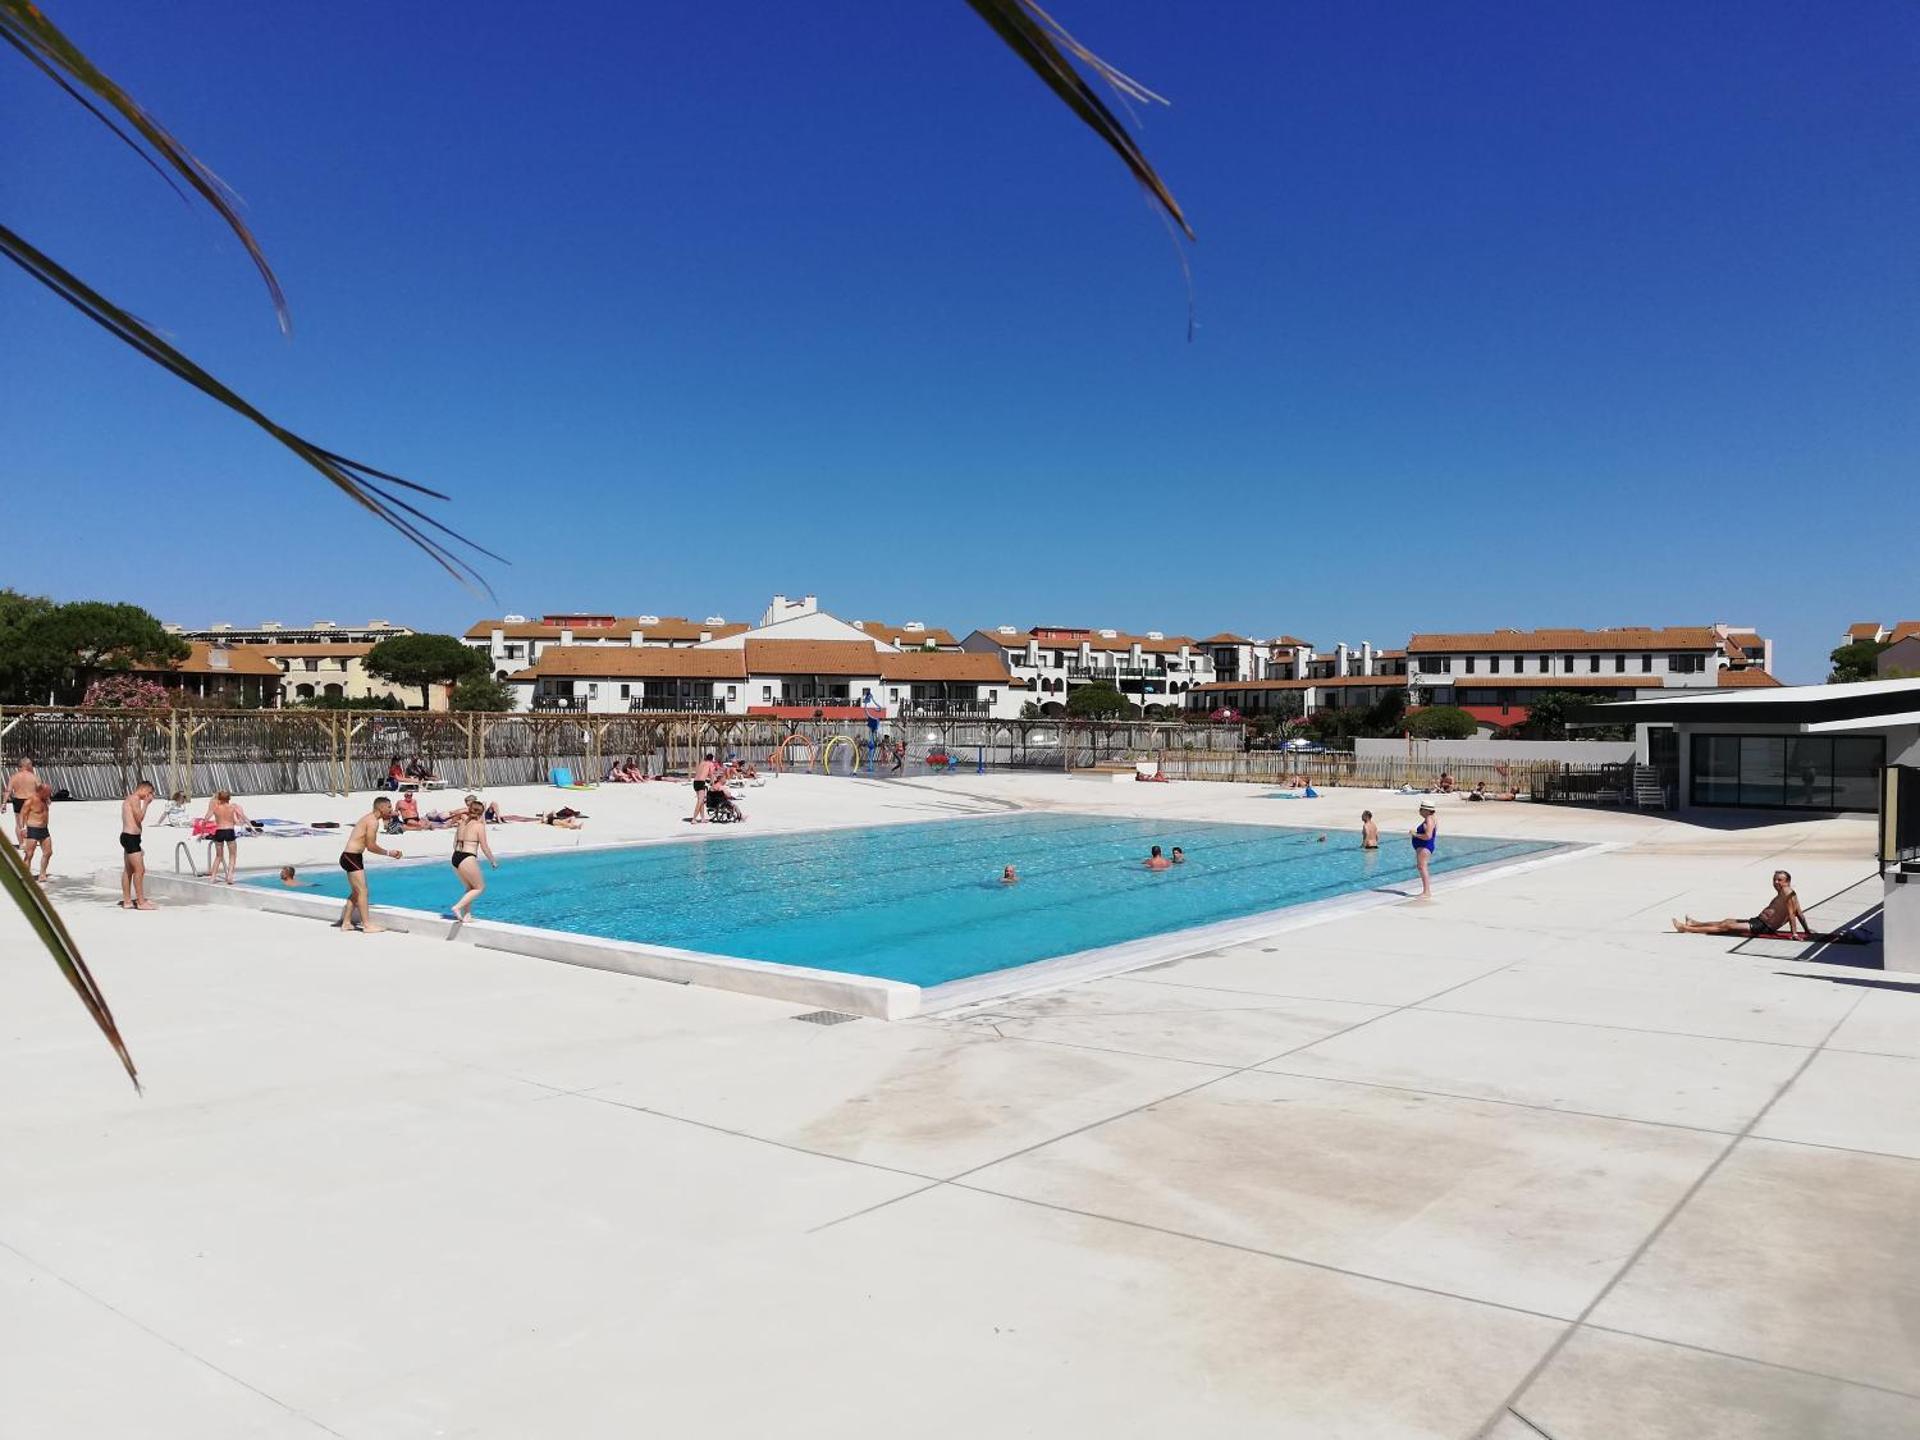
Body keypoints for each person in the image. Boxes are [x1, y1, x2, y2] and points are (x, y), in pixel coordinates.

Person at [1674, 871, 1812, 938]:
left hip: (1763, 926)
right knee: (1727, 920)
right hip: (1758, 921)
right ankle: (1694, 923)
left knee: (1726, 926)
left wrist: (1794, 933)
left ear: (1787, 881)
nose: (1776, 882)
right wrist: (1806, 930)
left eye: (1779, 880)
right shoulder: (1789, 893)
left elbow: (1791, 914)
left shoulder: (1787, 892)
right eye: (1775, 880)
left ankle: (1686, 928)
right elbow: (1799, 912)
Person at [336, 797, 402, 933]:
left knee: (356, 892)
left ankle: (346, 922)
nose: (391, 809)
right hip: (351, 857)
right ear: (381, 808)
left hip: (350, 856)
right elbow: (371, 846)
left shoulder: (369, 818)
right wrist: (390, 853)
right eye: (389, 807)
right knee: (363, 891)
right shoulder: (372, 822)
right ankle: (367, 925)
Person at [445, 796, 498, 922]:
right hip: (467, 857)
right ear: (481, 813)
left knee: (470, 887)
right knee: (479, 887)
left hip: (455, 857)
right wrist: (493, 861)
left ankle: (467, 915)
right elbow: (484, 847)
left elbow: (454, 843)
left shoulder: (462, 823)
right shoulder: (479, 826)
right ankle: (457, 907)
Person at [118, 780, 157, 909]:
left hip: (131, 837)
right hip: (130, 838)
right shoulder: (134, 798)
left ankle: (127, 901)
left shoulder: (130, 799)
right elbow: (139, 817)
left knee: (129, 870)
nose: (150, 796)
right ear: (144, 789)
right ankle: (141, 902)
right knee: (140, 870)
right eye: (150, 792)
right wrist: (146, 804)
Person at [202, 789, 251, 884]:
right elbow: (244, 817)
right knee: (232, 855)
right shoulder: (233, 807)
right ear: (229, 798)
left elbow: (205, 819)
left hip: (219, 831)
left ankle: (212, 878)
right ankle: (230, 877)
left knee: (218, 856)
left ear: (219, 798)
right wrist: (252, 828)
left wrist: (202, 833)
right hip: (229, 831)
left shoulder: (215, 807)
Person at [20, 783, 53, 881]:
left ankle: (42, 874)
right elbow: (22, 815)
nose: (49, 794)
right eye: (48, 793)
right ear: (41, 791)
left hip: (44, 829)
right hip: (33, 829)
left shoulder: (45, 799)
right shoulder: (30, 801)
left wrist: (47, 799)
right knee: (29, 854)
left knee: (48, 853)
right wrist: (22, 828)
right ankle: (25, 876)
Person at [1410, 801, 1438, 899]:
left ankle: (1426, 892)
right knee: (1421, 867)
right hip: (1423, 846)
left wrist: (1415, 834)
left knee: (1422, 867)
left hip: (1425, 846)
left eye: (1421, 809)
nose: (1419, 811)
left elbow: (1428, 835)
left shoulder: (1429, 820)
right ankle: (1426, 891)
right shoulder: (1430, 819)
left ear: (1426, 810)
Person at [7, 759, 38, 843]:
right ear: (27, 765)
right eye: (31, 764)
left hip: (18, 800)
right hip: (30, 801)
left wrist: (3, 803)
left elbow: (8, 790)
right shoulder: (33, 777)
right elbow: (40, 789)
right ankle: (30, 841)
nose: (32, 766)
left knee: (18, 823)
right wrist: (47, 799)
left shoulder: (14, 777)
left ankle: (21, 844)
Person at [690, 752, 716, 823]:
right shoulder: (710, 764)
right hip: (701, 782)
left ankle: (702, 818)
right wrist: (712, 783)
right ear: (712, 759)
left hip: (695, 782)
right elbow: (711, 774)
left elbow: (699, 772)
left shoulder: (702, 763)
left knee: (701, 801)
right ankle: (694, 818)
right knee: (700, 801)